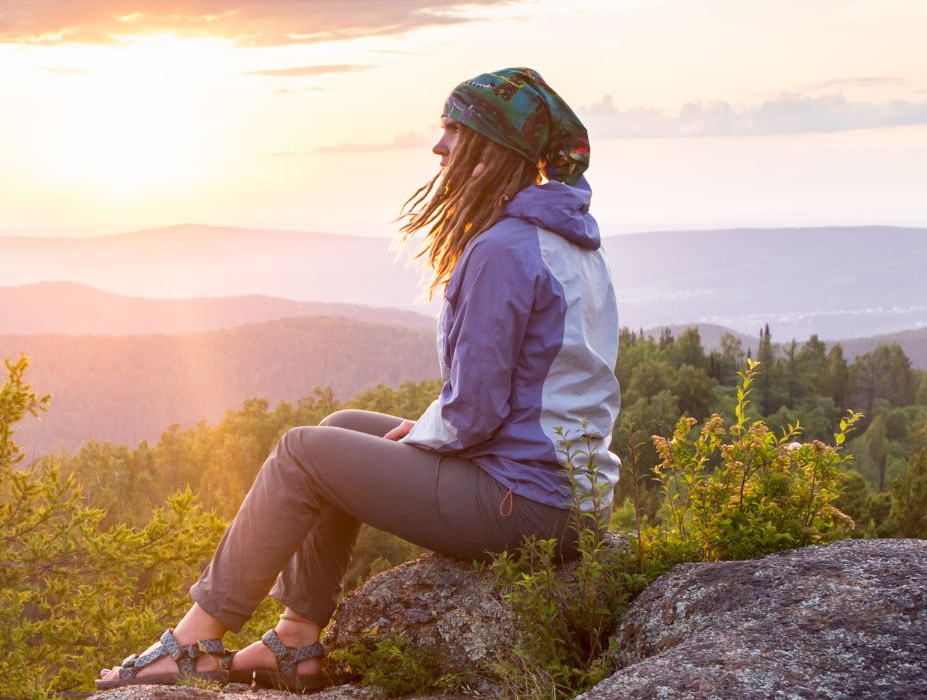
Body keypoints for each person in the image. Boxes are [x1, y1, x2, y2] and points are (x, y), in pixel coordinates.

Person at [95, 67, 621, 692]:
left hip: (526, 507)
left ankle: (194, 643)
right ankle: (296, 639)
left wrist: (427, 434)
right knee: (340, 428)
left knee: (302, 452)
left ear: (491, 150)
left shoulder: (503, 249)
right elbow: (517, 391)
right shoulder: (564, 240)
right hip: (564, 498)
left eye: (455, 129)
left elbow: (474, 415)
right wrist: (422, 431)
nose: (439, 146)